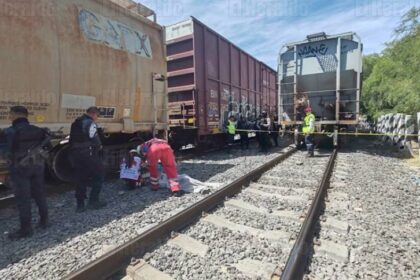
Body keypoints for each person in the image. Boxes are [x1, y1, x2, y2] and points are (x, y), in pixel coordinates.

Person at [0, 106, 51, 240]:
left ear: (15, 115)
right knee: (40, 195)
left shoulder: (8, 132)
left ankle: (26, 230)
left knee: (23, 199)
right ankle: (44, 221)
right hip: (38, 166)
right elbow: (48, 148)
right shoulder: (38, 130)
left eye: (10, 114)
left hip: (19, 168)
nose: (9, 116)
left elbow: (4, 153)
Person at [69, 107, 106, 212]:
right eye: (97, 116)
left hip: (76, 154)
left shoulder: (76, 123)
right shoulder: (90, 123)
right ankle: (93, 201)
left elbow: (71, 139)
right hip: (89, 154)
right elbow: (93, 137)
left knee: (80, 178)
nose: (97, 118)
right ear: (94, 114)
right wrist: (99, 147)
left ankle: (80, 205)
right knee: (99, 175)